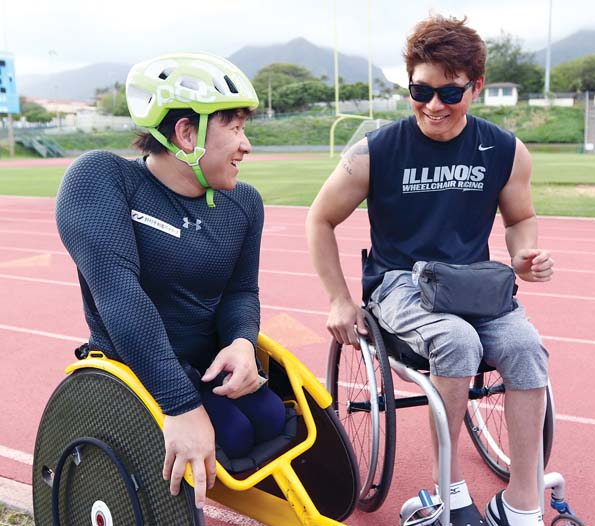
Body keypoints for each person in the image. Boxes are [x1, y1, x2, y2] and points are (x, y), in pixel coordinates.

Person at [306, 15, 553, 526]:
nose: (433, 105)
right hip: (399, 283)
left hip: (472, 282)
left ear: (475, 86)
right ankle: (447, 489)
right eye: (420, 90)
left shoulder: (504, 150)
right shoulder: (376, 151)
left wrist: (525, 255)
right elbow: (320, 218)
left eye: (450, 93)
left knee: (528, 348)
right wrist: (339, 299)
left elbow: (521, 219)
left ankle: (523, 504)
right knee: (457, 342)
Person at [56, 52, 286, 510]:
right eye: (235, 128)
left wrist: (241, 342)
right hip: (134, 366)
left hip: (204, 362)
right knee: (234, 432)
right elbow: (119, 296)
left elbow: (241, 291)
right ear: (186, 134)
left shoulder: (245, 204)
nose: (247, 145)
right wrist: (181, 406)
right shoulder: (101, 179)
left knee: (273, 417)